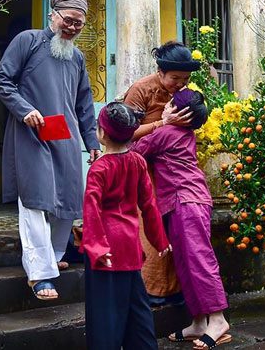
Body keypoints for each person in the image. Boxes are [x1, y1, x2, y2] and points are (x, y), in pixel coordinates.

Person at [0, 0, 102, 301]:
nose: (72, 28)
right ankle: (40, 274)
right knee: (35, 199)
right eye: (68, 20)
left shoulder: (77, 57)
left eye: (78, 24)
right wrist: (23, 109)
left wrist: (90, 140)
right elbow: (2, 80)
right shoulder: (28, 41)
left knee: (69, 200)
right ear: (53, 15)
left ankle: (54, 255)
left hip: (64, 135)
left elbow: (84, 103)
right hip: (31, 132)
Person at [131, 89, 231, 350]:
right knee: (185, 263)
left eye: (171, 105)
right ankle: (198, 321)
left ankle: (218, 319)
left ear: (178, 112)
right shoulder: (185, 133)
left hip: (186, 202)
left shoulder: (166, 133)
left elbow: (135, 151)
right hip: (185, 202)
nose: (166, 106)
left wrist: (162, 121)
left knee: (198, 259)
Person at [81, 102, 171, 350]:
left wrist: (97, 249)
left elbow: (92, 211)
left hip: (106, 248)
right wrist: (160, 240)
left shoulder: (99, 168)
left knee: (105, 315)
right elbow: (150, 205)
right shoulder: (138, 162)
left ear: (102, 134)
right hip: (130, 244)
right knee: (136, 309)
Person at [122, 41, 198, 305]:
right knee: (149, 227)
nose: (180, 84)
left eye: (185, 79)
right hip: (142, 167)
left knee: (172, 229)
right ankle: (151, 290)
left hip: (171, 171)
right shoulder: (141, 89)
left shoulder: (183, 92)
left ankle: (172, 289)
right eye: (175, 78)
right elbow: (125, 133)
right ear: (161, 72)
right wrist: (162, 123)